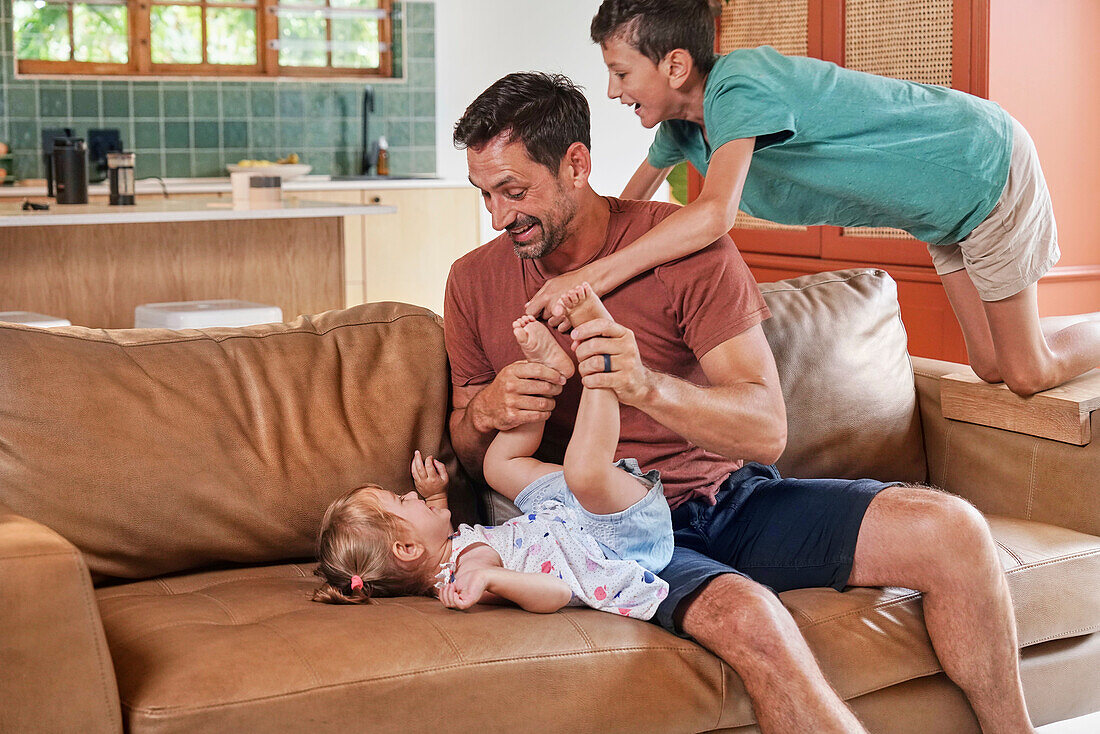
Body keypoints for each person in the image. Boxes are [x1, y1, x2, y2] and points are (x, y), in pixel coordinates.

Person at [446, 71, 1035, 733]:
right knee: (750, 618)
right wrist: (486, 411)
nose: (498, 218)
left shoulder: (686, 250)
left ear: (576, 165)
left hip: (729, 499)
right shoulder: (473, 282)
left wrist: (647, 388)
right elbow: (470, 456)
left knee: (953, 531)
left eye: (513, 191)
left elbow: (764, 429)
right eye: (485, 195)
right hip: (615, 534)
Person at [522, 0, 1100, 398]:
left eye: (620, 72)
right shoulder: (682, 130)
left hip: (976, 165)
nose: (611, 90)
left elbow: (714, 213)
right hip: (944, 215)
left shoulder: (739, 83)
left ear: (675, 65)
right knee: (990, 364)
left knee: (1026, 371)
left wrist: (592, 277)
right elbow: (615, 216)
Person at [313, 290, 674, 619]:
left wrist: (434, 495)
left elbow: (439, 528)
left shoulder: (439, 553)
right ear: (407, 549)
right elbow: (557, 592)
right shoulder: (469, 573)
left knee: (497, 466)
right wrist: (488, 577)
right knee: (583, 473)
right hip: (617, 539)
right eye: (400, 500)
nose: (408, 493)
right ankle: (603, 357)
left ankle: (548, 375)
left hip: (570, 517)